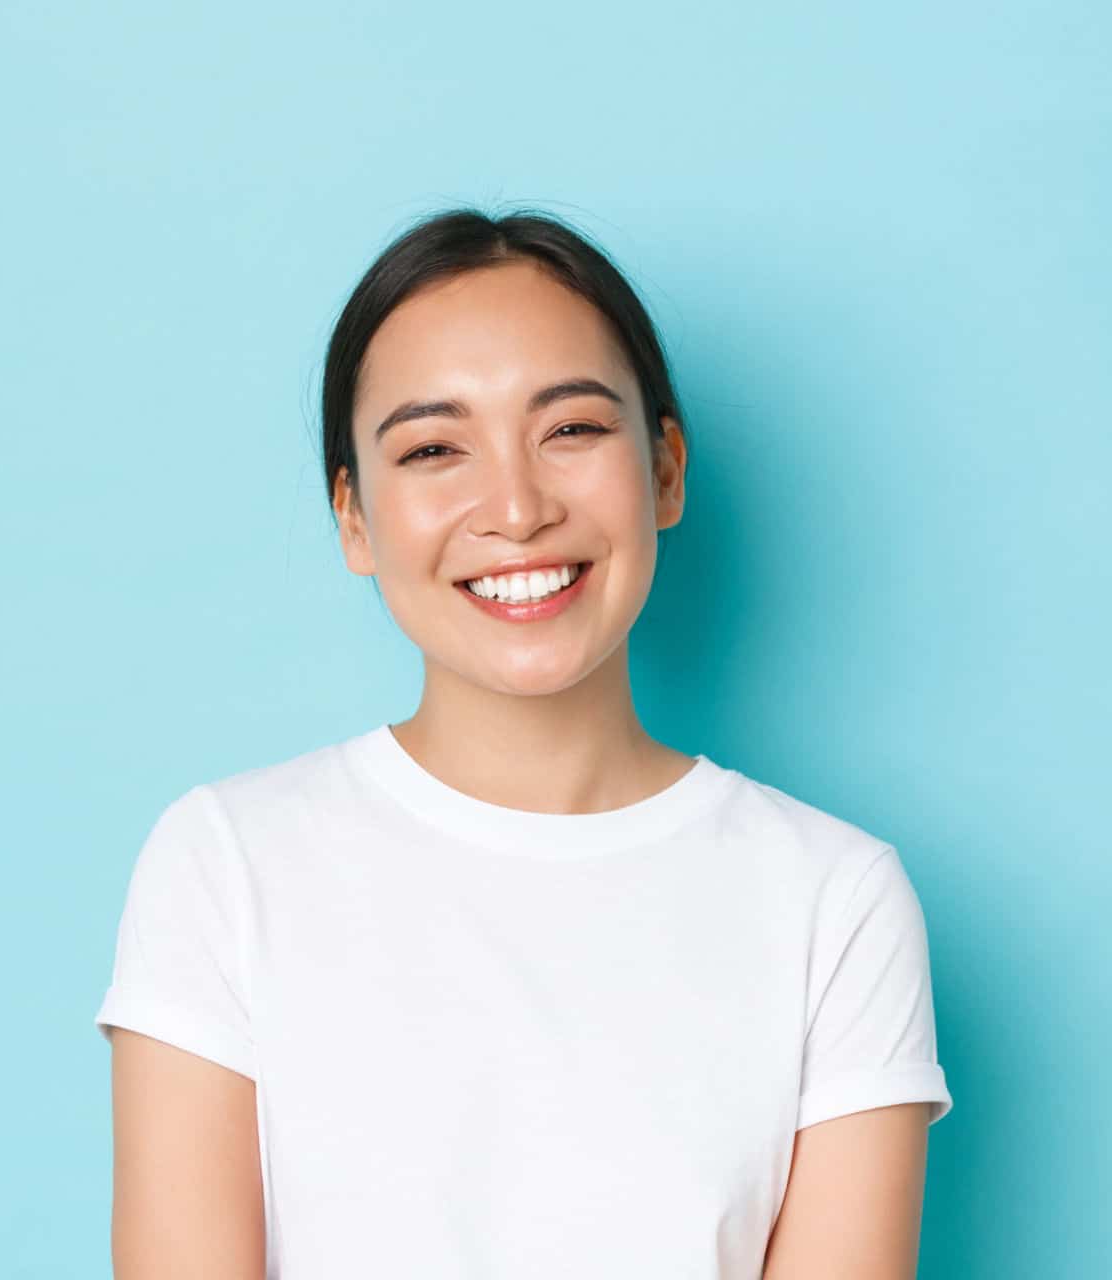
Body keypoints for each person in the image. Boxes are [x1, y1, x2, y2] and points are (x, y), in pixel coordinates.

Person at [94, 206, 954, 1279]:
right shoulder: (226, 863)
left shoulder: (835, 900)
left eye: (572, 430)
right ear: (354, 517)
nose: (515, 508)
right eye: (434, 448)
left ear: (666, 469)